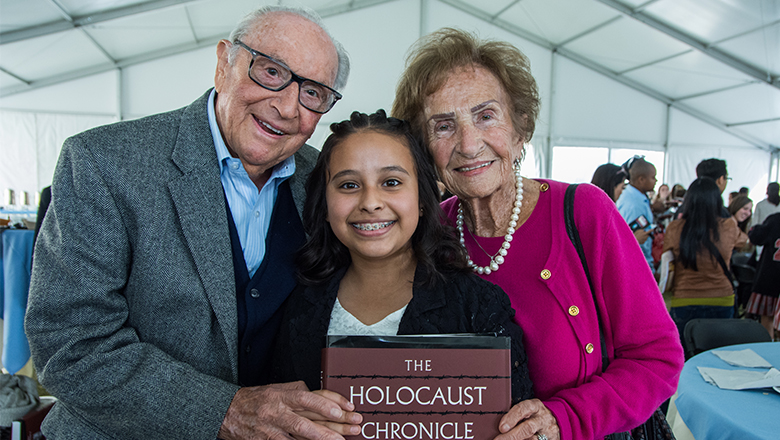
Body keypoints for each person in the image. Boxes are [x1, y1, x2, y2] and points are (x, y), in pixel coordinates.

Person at [24, 6, 363, 440]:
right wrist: (226, 410)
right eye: (271, 71)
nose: (286, 106)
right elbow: (70, 346)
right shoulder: (103, 162)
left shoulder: (322, 181)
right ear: (224, 63)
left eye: (313, 92)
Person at [392, 28, 682, 440]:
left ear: (520, 127)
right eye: (443, 126)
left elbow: (657, 357)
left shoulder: (585, 212)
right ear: (423, 147)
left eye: (485, 115)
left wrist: (564, 420)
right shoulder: (427, 231)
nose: (469, 144)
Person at [270, 110, 534, 404]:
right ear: (325, 206)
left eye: (391, 182)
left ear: (423, 199)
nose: (370, 203)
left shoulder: (479, 307)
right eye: (349, 185)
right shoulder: (296, 304)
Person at [660, 178, 748, 340]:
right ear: (717, 201)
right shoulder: (728, 226)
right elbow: (744, 243)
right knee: (718, 354)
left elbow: (666, 259)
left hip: (684, 299)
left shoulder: (675, 228)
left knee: (685, 355)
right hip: (722, 298)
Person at [616, 156, 657, 269]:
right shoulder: (633, 205)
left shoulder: (637, 197)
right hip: (637, 266)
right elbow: (631, 242)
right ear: (641, 180)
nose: (656, 181)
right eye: (653, 177)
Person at [745, 213, 780, 338]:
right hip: (770, 278)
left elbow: (755, 237)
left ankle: (769, 350)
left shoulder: (775, 219)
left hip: (769, 278)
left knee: (767, 319)